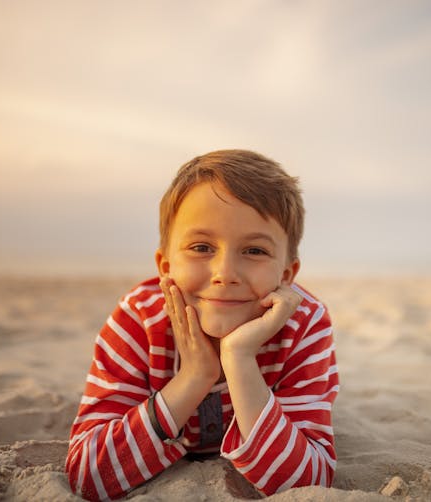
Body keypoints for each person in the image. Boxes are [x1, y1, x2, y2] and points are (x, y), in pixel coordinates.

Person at [65, 150, 339, 500]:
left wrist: (239, 359)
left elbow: (307, 485)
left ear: (286, 275)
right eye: (201, 247)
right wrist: (194, 376)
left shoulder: (305, 323)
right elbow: (87, 475)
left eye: (254, 251)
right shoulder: (138, 319)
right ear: (165, 266)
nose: (225, 273)